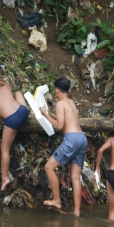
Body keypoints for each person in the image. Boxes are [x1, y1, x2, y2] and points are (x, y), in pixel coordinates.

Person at [41, 78, 87, 217]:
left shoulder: (61, 104)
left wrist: (45, 114)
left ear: (56, 90)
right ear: (70, 90)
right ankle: (77, 212)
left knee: (49, 167)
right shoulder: (72, 102)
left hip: (71, 139)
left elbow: (60, 126)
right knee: (75, 177)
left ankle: (56, 200)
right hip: (82, 138)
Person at [0, 74, 30, 191]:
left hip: (12, 119)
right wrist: (2, 83)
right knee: (18, 93)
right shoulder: (6, 88)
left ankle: (5, 178)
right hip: (23, 111)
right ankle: (5, 178)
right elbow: (7, 85)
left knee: (5, 149)